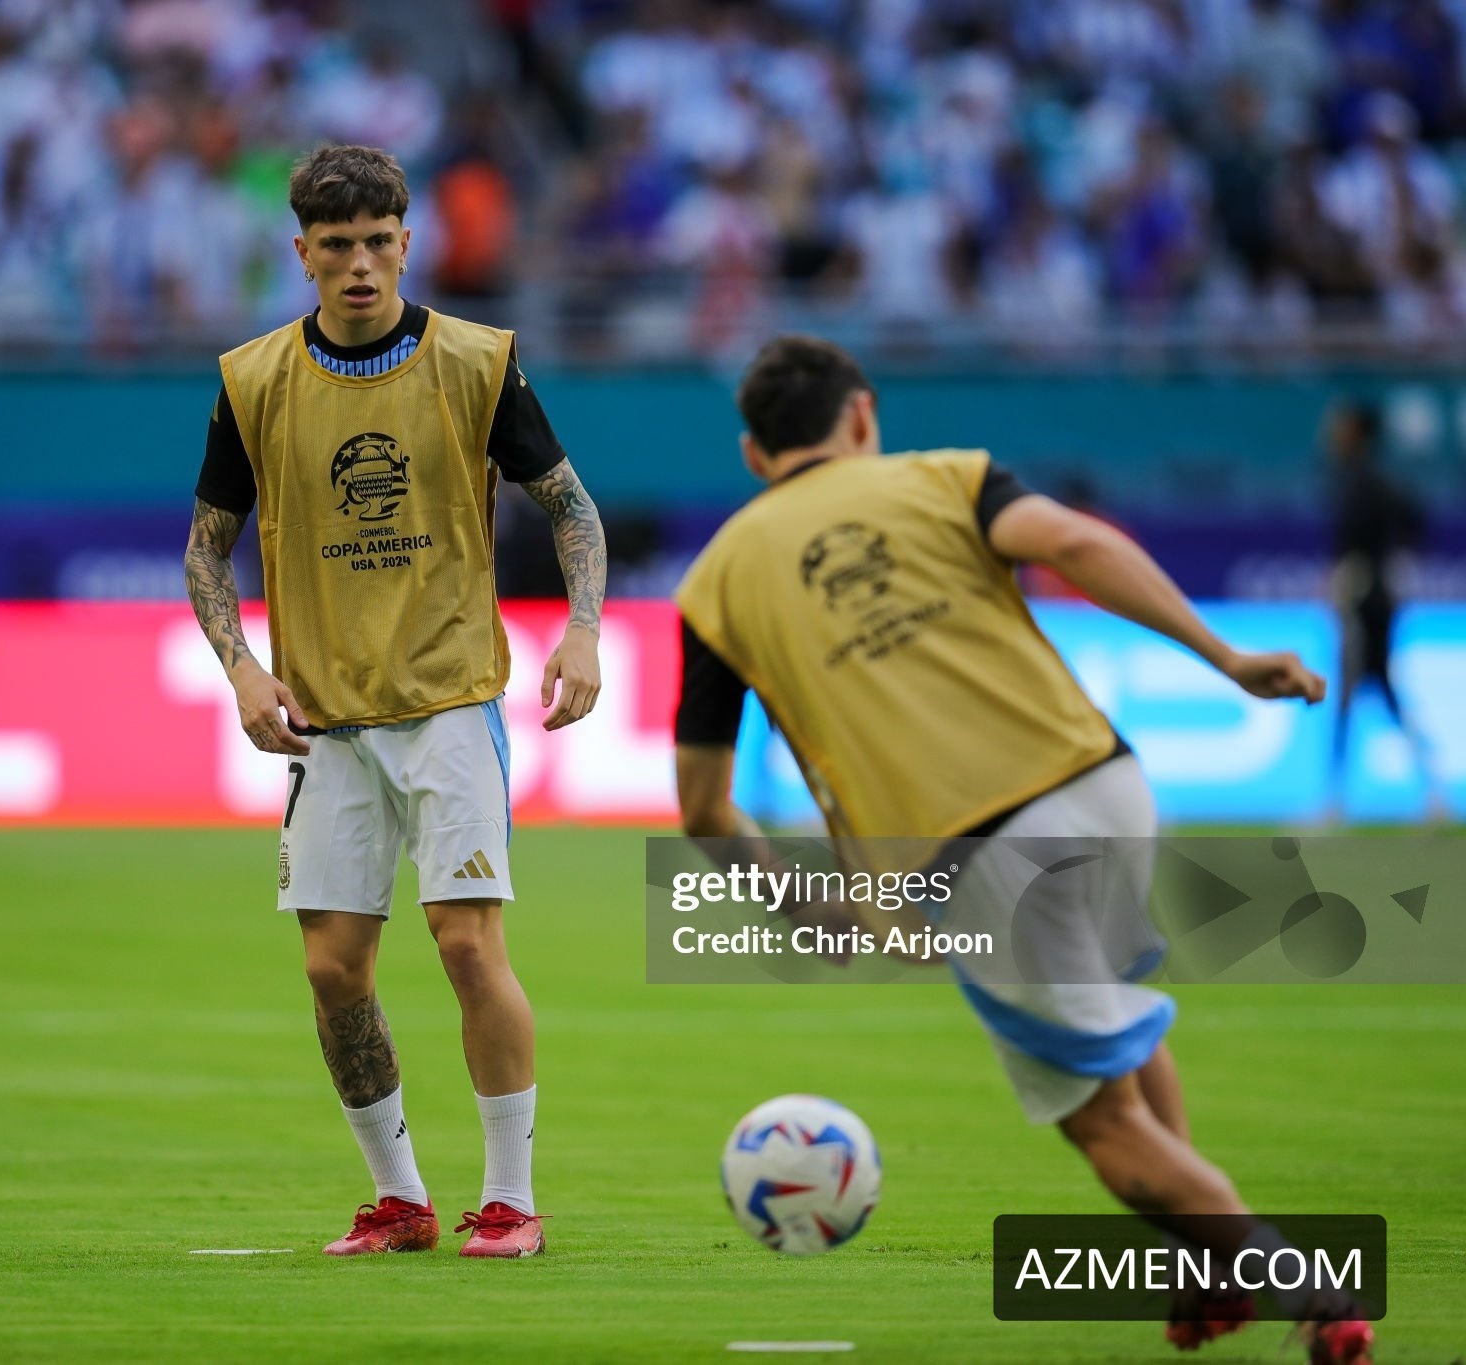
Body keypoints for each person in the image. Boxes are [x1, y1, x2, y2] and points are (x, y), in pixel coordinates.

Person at [672, 336, 1374, 1363]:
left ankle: (1306, 1292)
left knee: (1103, 1125)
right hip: (1105, 783)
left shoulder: (714, 584)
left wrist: (806, 910)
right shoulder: (945, 476)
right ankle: (1205, 1269)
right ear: (861, 415)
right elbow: (1076, 543)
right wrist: (1223, 656)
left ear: (751, 454)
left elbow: (702, 806)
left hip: (981, 853)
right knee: (1117, 1021)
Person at [184, 144, 606, 1259]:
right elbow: (206, 547)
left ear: (408, 243)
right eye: (338, 246)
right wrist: (240, 667)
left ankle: (509, 1200)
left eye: (379, 242)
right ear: (303, 254)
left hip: (449, 700)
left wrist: (582, 626)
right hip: (323, 719)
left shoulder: (476, 360)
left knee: (466, 943)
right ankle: (401, 1200)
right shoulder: (253, 380)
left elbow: (569, 505)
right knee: (333, 971)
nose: (361, 264)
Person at [1322, 399, 1443, 823]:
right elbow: (1414, 523)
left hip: (1365, 601)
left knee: (1351, 692)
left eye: (1341, 426)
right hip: (1377, 597)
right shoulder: (1367, 481)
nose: (1333, 434)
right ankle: (1431, 788)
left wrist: (1363, 573)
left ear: (1358, 432)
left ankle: (1335, 801)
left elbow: (1406, 524)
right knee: (1379, 692)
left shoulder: (1366, 483)